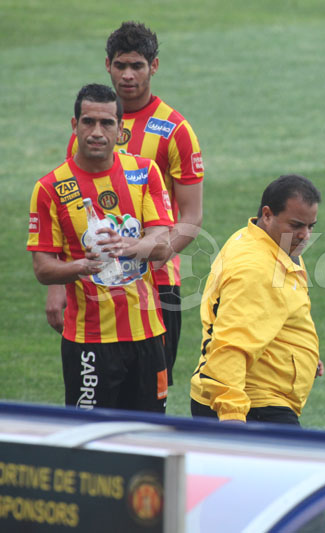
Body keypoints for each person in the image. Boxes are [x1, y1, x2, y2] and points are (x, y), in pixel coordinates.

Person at [49, 21, 204, 390]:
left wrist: (152, 253)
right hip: (91, 287)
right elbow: (64, 214)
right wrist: (57, 284)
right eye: (121, 66)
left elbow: (192, 216)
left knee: (149, 401)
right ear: (108, 65)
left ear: (154, 66)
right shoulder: (89, 130)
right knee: (97, 399)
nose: (128, 75)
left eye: (137, 65)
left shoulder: (175, 130)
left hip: (156, 285)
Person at [27, 83, 174, 412]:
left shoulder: (143, 172)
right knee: (91, 443)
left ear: (120, 130)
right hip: (89, 343)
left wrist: (128, 245)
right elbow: (43, 269)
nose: (97, 131)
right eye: (88, 121)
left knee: (149, 436)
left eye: (106, 123)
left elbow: (163, 245)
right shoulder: (49, 188)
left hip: (147, 336)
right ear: (74, 125)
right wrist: (80, 267)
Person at [190, 175, 323, 425]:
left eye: (311, 226)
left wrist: (300, 353)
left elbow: (278, 310)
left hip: (259, 398)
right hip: (252, 406)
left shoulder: (275, 244)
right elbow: (230, 346)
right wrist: (232, 416)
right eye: (296, 225)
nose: (305, 235)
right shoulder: (256, 269)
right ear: (268, 214)